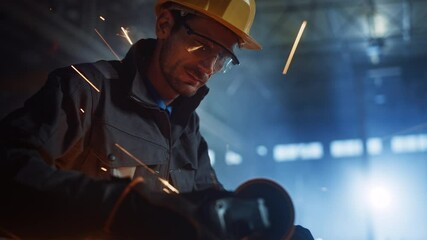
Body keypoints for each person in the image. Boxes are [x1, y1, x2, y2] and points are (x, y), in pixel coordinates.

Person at [0, 0, 314, 239]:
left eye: (222, 57)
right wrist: (122, 208)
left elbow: (205, 210)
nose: (208, 65)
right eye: (201, 45)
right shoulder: (86, 91)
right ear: (165, 24)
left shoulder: (188, 131)